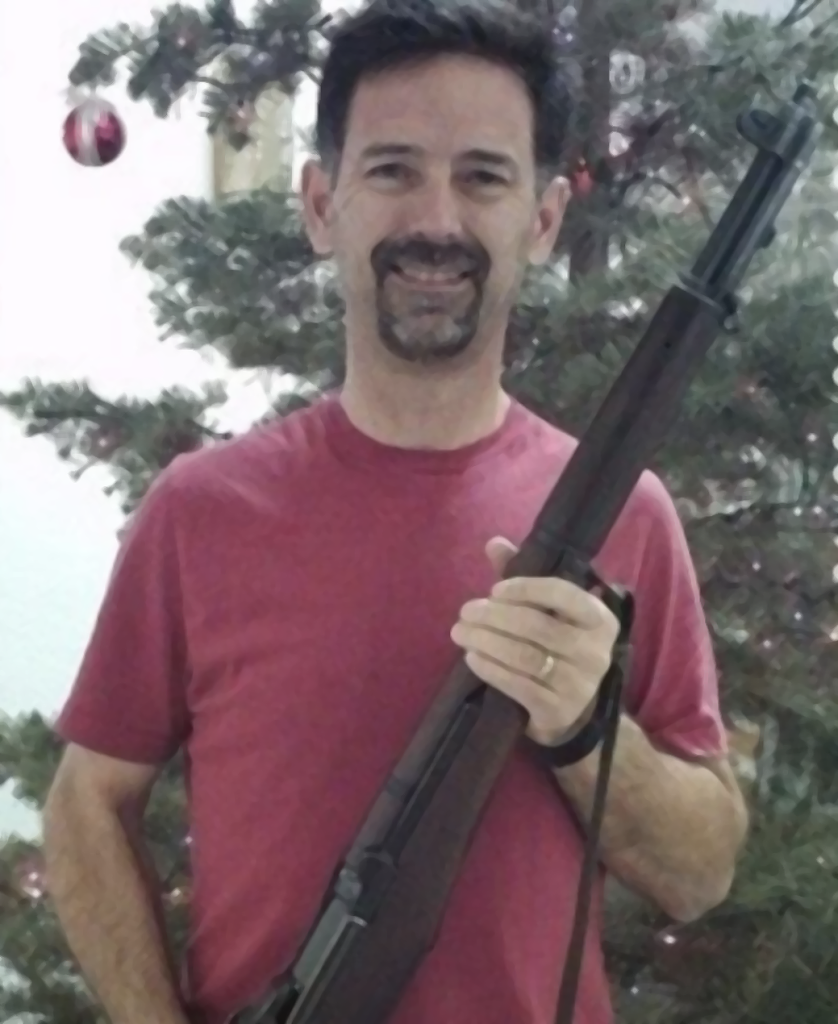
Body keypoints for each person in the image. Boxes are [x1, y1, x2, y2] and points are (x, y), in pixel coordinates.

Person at [41, 2, 749, 1023]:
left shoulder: (625, 517)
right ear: (322, 203)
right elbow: (84, 803)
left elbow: (700, 871)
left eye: (482, 176)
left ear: (541, 220)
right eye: (392, 169)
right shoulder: (200, 511)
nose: (436, 219)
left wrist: (588, 730)